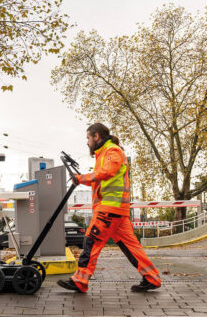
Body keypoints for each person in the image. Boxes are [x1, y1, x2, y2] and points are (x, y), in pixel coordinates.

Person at [57, 123, 162, 293]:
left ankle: (80, 280)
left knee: (91, 240)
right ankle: (152, 278)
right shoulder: (104, 153)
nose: (87, 143)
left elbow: (108, 172)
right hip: (115, 211)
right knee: (131, 247)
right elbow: (102, 178)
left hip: (110, 209)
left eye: (88, 138)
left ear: (96, 136)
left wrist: (81, 178)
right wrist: (82, 179)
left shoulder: (112, 151)